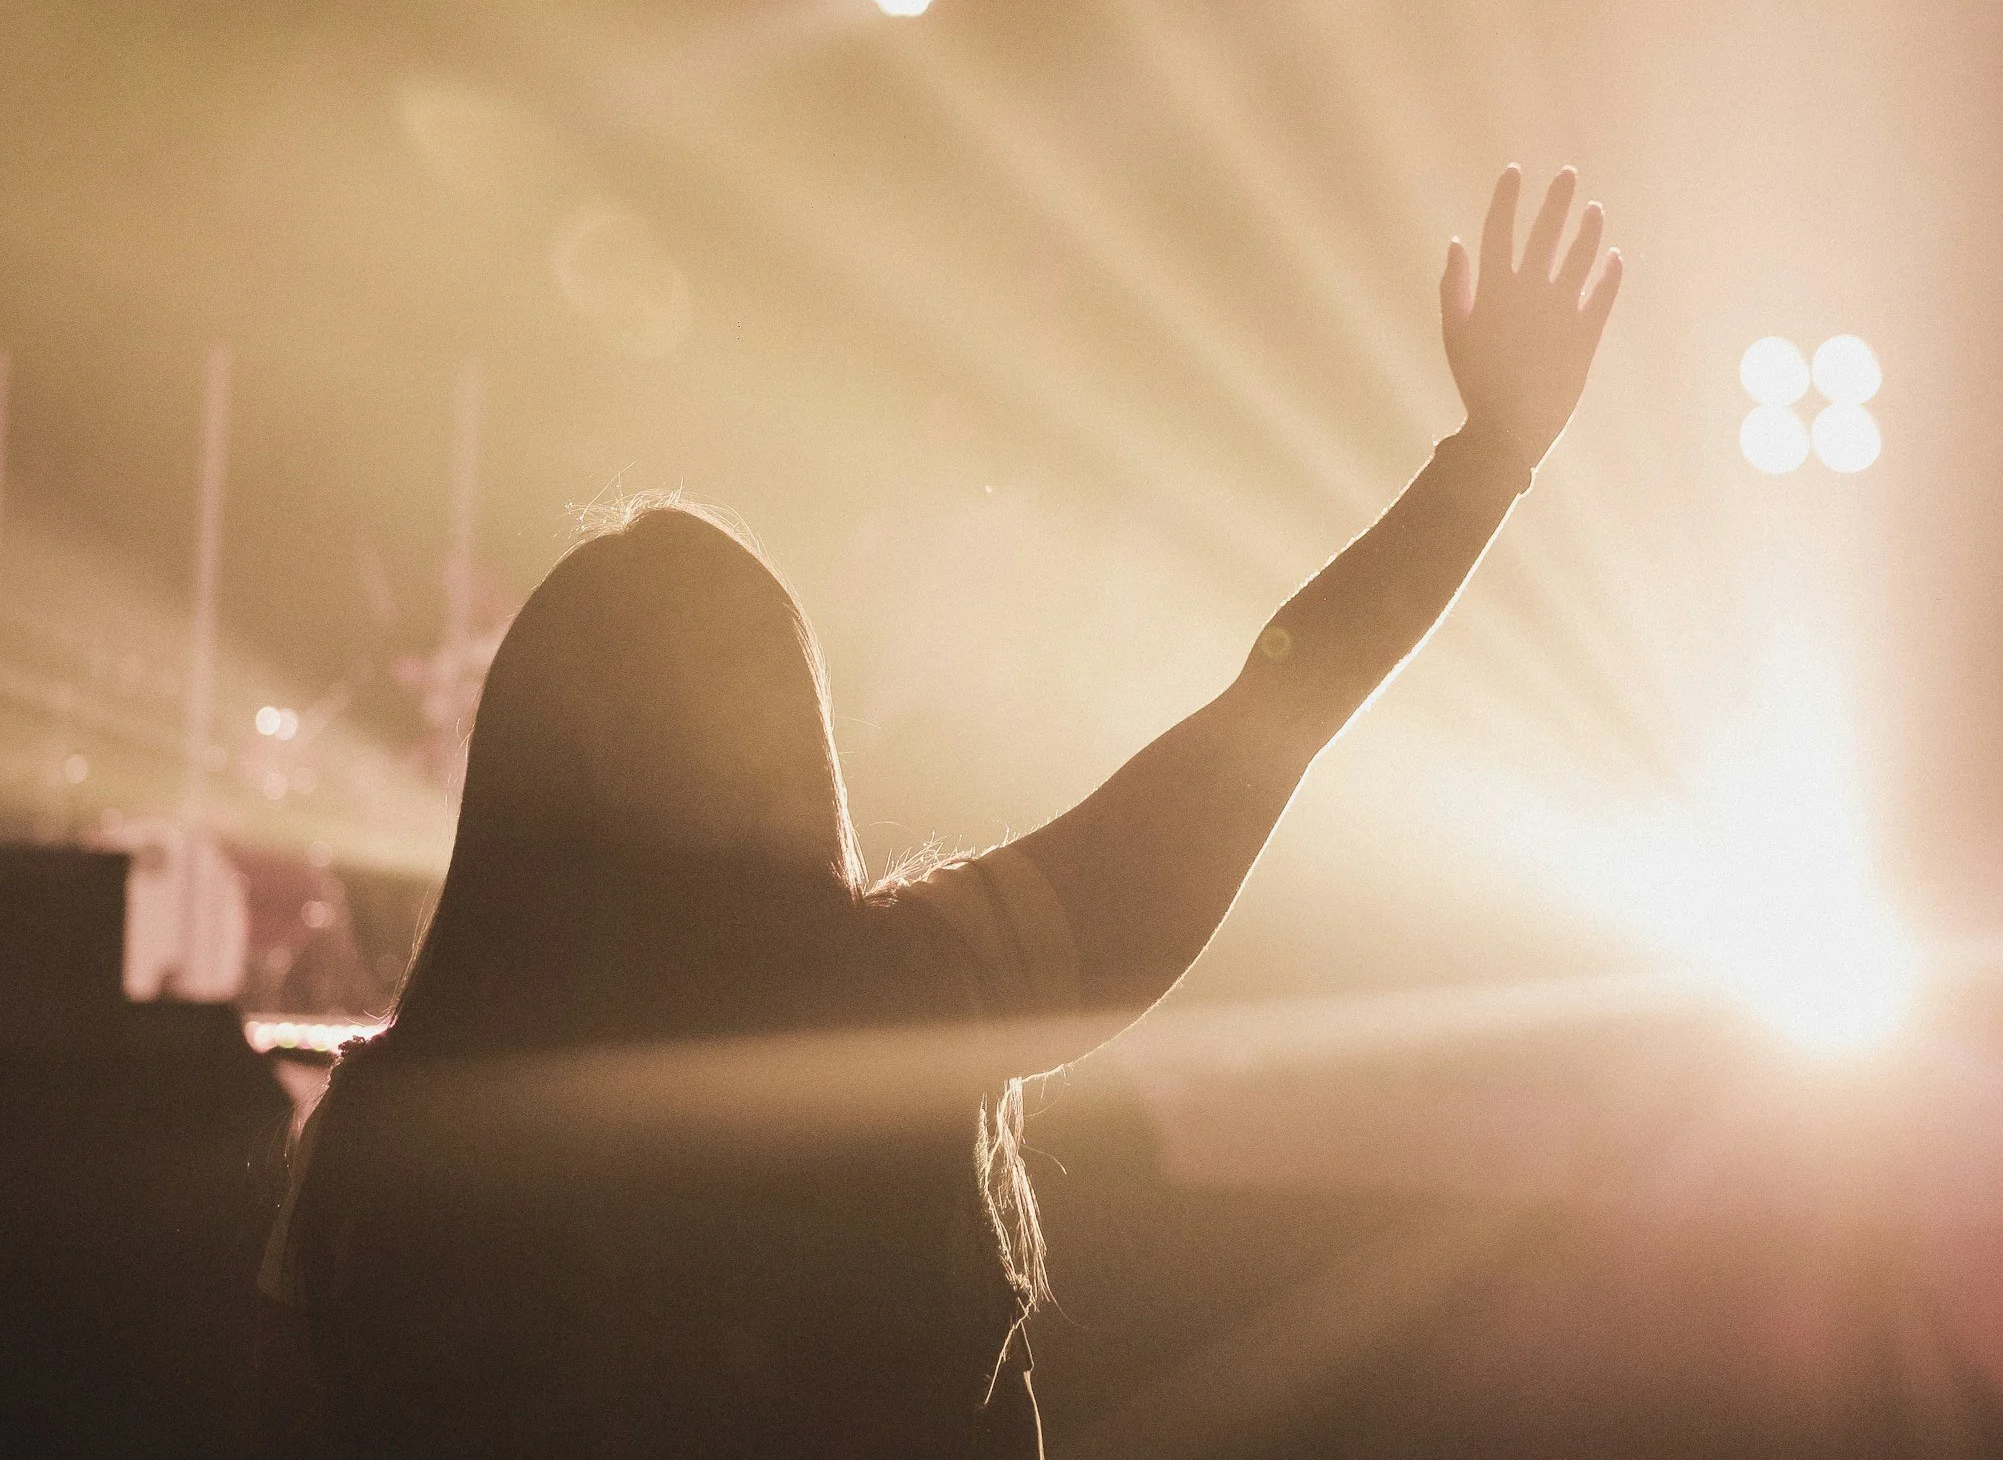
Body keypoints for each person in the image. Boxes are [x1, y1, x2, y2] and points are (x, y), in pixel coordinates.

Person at [254, 167, 1622, 1457]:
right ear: (786, 753)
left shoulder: (371, 1145)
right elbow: (1267, 721)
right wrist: (1487, 459)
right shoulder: (911, 1001)